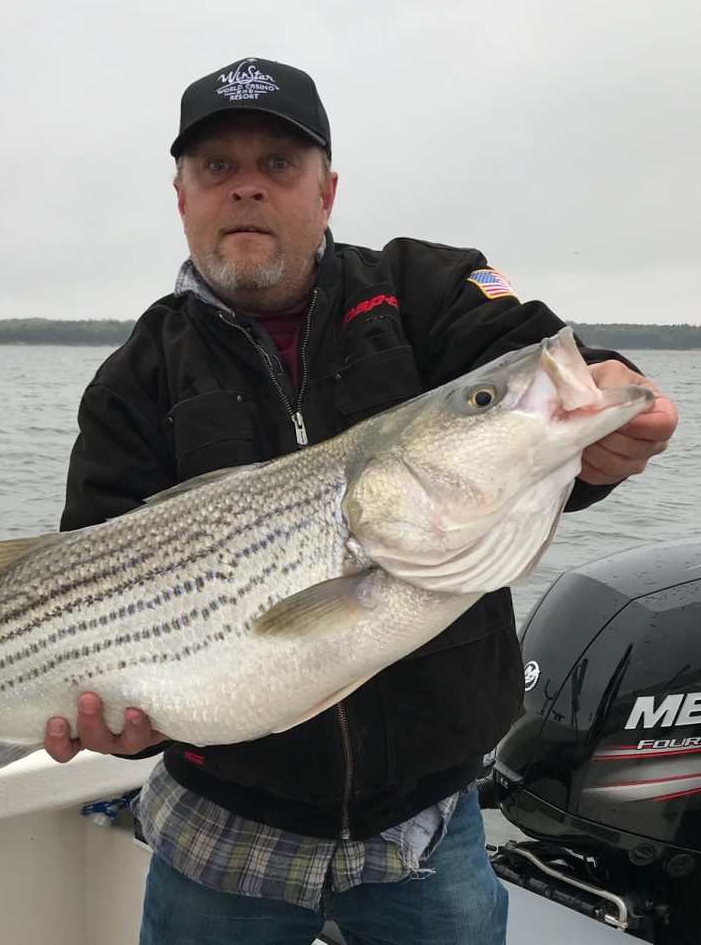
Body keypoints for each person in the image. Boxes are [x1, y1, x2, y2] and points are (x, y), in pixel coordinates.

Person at [42, 57, 678, 945]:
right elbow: (86, 579)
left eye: (280, 165)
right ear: (181, 197)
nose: (248, 190)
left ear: (328, 189)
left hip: (426, 830)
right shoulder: (134, 381)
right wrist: (121, 730)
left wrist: (608, 422)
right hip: (221, 834)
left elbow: (538, 363)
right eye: (218, 168)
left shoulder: (425, 291)